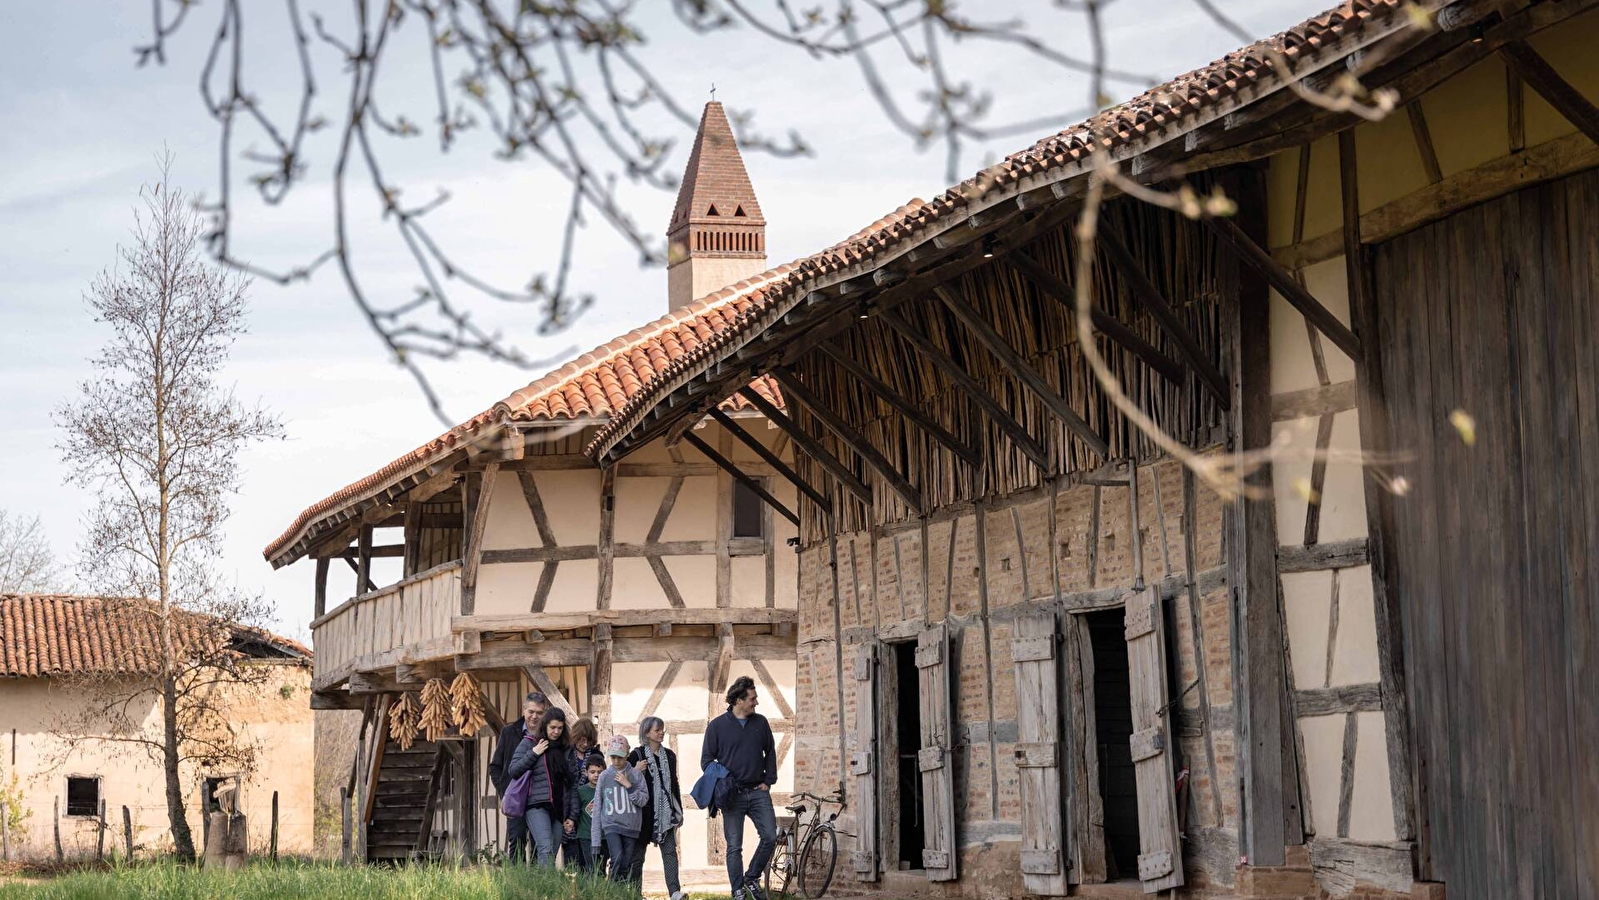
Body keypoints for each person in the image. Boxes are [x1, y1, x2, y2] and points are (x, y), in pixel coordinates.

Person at [702, 675, 778, 900]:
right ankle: (737, 890)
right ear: (738, 700)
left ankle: (751, 878)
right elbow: (706, 762)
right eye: (752, 698)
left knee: (770, 836)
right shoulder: (716, 727)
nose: (756, 702)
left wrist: (769, 780)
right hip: (732, 796)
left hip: (758, 792)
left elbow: (771, 751)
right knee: (734, 846)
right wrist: (726, 778)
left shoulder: (761, 723)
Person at [507, 707, 579, 867]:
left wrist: (572, 816)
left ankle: (541, 887)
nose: (556, 732)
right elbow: (513, 770)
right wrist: (534, 753)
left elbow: (572, 783)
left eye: (560, 728)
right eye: (552, 727)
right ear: (545, 726)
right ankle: (546, 889)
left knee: (551, 852)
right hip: (536, 805)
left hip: (560, 807)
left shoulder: (566, 749)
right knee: (545, 848)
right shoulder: (530, 742)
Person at [626, 717, 686, 900]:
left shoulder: (669, 755)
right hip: (643, 813)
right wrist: (635, 771)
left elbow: (674, 784)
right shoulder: (637, 755)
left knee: (669, 853)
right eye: (657, 730)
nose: (661, 732)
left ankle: (674, 892)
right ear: (647, 733)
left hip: (665, 813)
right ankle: (635, 894)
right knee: (637, 858)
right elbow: (625, 781)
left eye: (662, 729)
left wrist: (679, 809)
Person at [489, 691, 548, 864]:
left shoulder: (547, 736)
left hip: (539, 798)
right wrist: (505, 793)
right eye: (531, 712)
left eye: (539, 713)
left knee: (539, 842)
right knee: (517, 840)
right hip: (516, 798)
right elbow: (495, 767)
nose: (534, 716)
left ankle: (538, 883)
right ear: (523, 710)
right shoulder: (509, 732)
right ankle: (517, 881)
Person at [592, 735, 649, 888]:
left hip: (631, 827)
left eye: (620, 757)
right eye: (613, 757)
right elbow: (597, 807)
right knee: (617, 858)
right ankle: (610, 891)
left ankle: (621, 893)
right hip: (611, 825)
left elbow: (643, 800)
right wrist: (596, 840)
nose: (617, 761)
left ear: (628, 755)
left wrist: (628, 785)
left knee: (626, 863)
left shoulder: (636, 775)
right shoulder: (604, 776)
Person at [563, 716, 600, 869]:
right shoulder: (566, 754)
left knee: (589, 858)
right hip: (568, 806)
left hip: (588, 808)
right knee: (571, 857)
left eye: (588, 741)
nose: (585, 744)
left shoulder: (596, 756)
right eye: (581, 740)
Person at [573, 756, 605, 873]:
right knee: (590, 867)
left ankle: (601, 890)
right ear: (586, 773)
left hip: (604, 836)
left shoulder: (607, 790)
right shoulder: (581, 791)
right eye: (592, 772)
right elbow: (575, 810)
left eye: (599, 772)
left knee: (601, 868)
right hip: (586, 835)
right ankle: (590, 889)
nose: (596, 775)